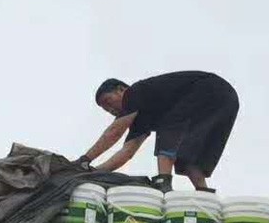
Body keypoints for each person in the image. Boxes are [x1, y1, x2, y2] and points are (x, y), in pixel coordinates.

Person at [77, 70, 239, 192]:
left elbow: (114, 132)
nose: (110, 110)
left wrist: (85, 160)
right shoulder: (140, 118)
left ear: (121, 89)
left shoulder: (134, 93)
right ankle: (204, 193)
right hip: (226, 100)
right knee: (187, 157)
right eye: (105, 109)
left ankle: (164, 181)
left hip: (209, 88)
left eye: (108, 101)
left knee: (169, 127)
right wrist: (95, 172)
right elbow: (126, 152)